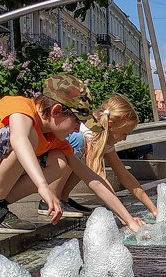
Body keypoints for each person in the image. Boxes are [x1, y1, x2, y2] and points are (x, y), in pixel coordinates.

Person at [0, 74, 144, 235]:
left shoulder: (54, 138)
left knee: (60, 162)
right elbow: (19, 140)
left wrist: (128, 220)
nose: (77, 129)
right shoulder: (19, 106)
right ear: (56, 111)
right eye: (76, 121)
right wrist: (43, 187)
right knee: (27, 137)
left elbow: (92, 179)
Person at [48, 92, 158, 220]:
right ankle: (52, 199)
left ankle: (63, 197)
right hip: (48, 162)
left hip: (56, 162)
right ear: (110, 125)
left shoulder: (105, 139)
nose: (125, 138)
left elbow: (125, 176)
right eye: (124, 133)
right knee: (79, 149)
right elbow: (98, 175)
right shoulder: (89, 132)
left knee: (82, 162)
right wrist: (123, 215)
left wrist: (153, 210)